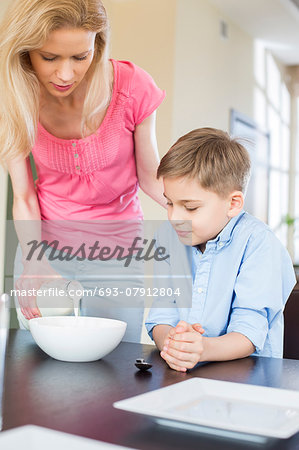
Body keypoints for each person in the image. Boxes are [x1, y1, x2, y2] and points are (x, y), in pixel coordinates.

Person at [0, 0, 166, 341]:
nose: (65, 74)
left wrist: (209, 218)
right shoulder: (14, 98)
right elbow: (23, 195)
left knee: (117, 365)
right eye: (49, 58)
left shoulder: (132, 87)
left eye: (80, 57)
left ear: (98, 45)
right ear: (26, 51)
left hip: (118, 251)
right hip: (44, 250)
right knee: (39, 371)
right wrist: (33, 260)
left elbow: (152, 179)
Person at [145, 128, 296, 371]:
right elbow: (162, 315)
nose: (175, 218)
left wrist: (200, 348)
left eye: (191, 208)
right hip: (184, 374)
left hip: (246, 381)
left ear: (233, 203)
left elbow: (248, 332)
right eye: (169, 203)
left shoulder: (259, 244)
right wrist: (176, 344)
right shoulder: (167, 236)